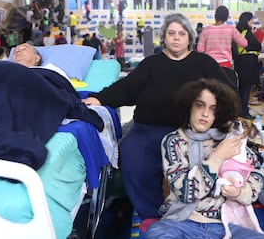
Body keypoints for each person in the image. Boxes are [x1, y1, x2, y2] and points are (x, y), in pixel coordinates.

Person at [82, 13, 237, 233]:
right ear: (164, 37)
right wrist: (100, 98)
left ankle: (196, 214)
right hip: (148, 131)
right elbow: (127, 89)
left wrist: (233, 117)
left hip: (193, 133)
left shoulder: (203, 63)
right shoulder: (151, 64)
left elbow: (225, 92)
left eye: (181, 34)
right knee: (130, 151)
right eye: (171, 33)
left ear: (189, 38)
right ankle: (151, 214)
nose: (176, 38)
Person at [145, 78, 264, 239]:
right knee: (157, 233)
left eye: (213, 108)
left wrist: (239, 192)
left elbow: (255, 179)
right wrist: (218, 157)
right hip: (183, 221)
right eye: (200, 105)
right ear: (189, 106)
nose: (206, 113)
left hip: (226, 223)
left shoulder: (231, 138)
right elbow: (186, 193)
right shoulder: (174, 141)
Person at [233, 12, 262, 119]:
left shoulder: (238, 32)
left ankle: (240, 111)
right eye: (251, 20)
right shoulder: (248, 33)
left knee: (241, 88)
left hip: (240, 62)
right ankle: (244, 113)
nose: (252, 22)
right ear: (247, 21)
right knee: (246, 88)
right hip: (248, 63)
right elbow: (257, 46)